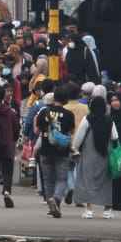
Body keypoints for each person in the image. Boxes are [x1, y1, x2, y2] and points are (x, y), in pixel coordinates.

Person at [34, 87, 76, 218]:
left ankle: (50, 202)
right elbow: (71, 132)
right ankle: (57, 199)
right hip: (62, 151)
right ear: (66, 99)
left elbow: (37, 131)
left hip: (45, 149)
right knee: (61, 178)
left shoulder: (44, 112)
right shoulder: (69, 114)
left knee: (48, 180)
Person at [72, 95, 116, 219]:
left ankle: (89, 210)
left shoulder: (88, 119)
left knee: (88, 181)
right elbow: (115, 137)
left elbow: (79, 136)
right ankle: (107, 210)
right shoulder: (109, 120)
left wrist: (74, 148)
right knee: (106, 182)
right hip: (106, 154)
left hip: (89, 154)